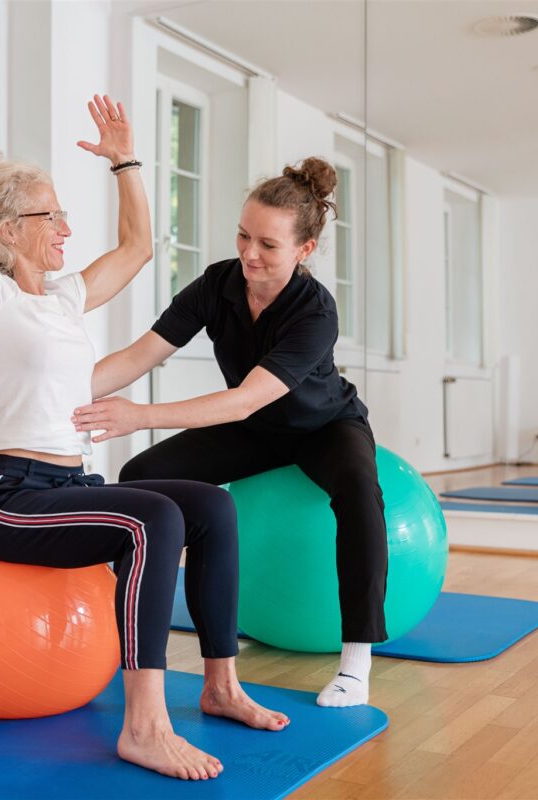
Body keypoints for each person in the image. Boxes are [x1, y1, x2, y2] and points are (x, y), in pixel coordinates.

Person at [0, 6, 287, 782]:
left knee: (211, 505)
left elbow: (137, 247)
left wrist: (128, 163)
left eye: (68, 215)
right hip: (7, 495)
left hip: (72, 483)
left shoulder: (63, 298)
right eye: (49, 216)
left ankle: (221, 684)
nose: (66, 228)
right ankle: (143, 724)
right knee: (153, 519)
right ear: (6, 231)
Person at [72, 157, 387, 708]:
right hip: (256, 430)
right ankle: (120, 628)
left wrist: (138, 416)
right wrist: (65, 389)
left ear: (304, 249)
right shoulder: (219, 282)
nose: (249, 253)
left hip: (323, 426)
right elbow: (143, 354)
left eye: (267, 244)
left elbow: (244, 400)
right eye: (244, 235)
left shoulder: (315, 311)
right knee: (142, 474)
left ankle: (356, 662)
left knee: (361, 490)